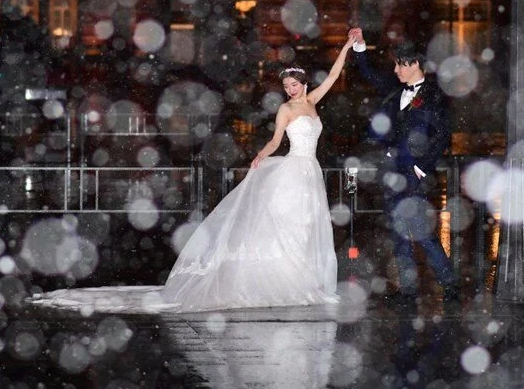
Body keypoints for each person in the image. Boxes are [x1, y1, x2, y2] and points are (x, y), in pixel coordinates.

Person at [30, 34, 356, 313]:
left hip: (309, 171)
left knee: (306, 227)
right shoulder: (285, 109)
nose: (290, 90)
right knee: (285, 226)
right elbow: (274, 141)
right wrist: (258, 157)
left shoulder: (312, 101)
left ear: (304, 84)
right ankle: (285, 279)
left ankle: (301, 278)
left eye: (294, 84)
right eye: (286, 86)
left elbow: (332, 76)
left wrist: (346, 45)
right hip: (292, 170)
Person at [348, 27, 459, 304]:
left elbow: (443, 134)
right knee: (398, 232)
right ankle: (408, 290)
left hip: (413, 173)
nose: (396, 69)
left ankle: (449, 285)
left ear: (414, 64)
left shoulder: (434, 94)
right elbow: (369, 73)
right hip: (390, 172)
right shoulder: (394, 89)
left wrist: (421, 167)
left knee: (420, 231)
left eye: (400, 64)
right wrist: (360, 47)